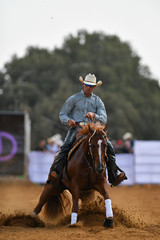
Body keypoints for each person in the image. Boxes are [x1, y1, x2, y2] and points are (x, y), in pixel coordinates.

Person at [50, 73, 127, 186]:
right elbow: (63, 114)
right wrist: (68, 121)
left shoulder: (98, 101)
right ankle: (57, 172)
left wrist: (94, 115)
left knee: (109, 146)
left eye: (91, 86)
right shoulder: (74, 99)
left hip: (93, 130)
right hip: (77, 128)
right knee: (66, 146)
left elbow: (103, 119)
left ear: (94, 87)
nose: (88, 87)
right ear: (83, 84)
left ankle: (113, 174)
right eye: (87, 85)